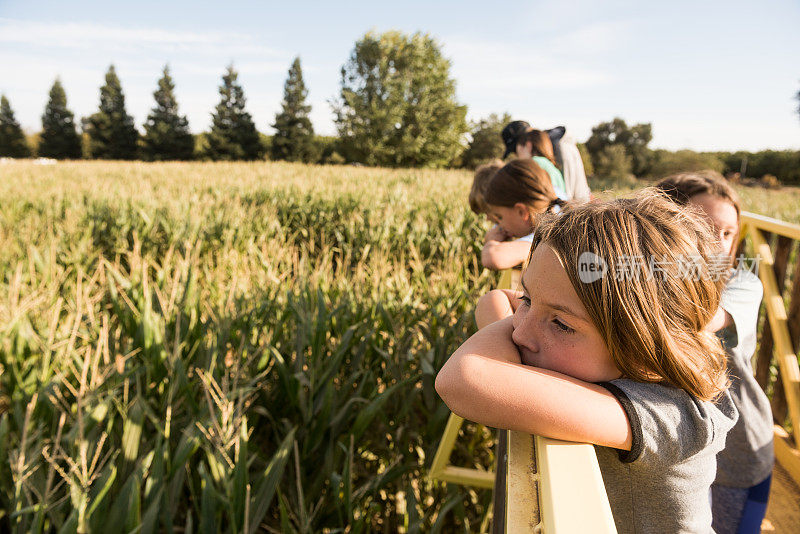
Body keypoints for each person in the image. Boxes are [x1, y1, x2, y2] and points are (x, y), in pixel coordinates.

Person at [436, 191, 738, 534]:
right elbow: (496, 299)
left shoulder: (671, 411)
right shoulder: (605, 358)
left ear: (644, 343)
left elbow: (463, 378)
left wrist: (521, 319)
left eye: (562, 324)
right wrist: (537, 313)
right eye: (528, 299)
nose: (520, 336)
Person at [656, 171, 773, 534]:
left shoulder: (742, 282)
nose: (719, 246)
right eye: (703, 230)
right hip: (681, 454)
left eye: (727, 234)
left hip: (737, 457)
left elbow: (698, 319)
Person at [480, 158, 564, 270]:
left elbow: (492, 257)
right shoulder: (554, 199)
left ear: (522, 212)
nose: (499, 226)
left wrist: (491, 240)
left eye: (499, 218)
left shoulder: (547, 236)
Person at [502, 120, 591, 201]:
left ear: (527, 144)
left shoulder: (557, 151)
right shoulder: (552, 153)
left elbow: (564, 201)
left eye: (515, 150)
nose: (517, 157)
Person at [514, 128, 567, 199]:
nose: (518, 156)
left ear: (528, 145)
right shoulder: (553, 168)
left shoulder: (534, 163)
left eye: (518, 151)